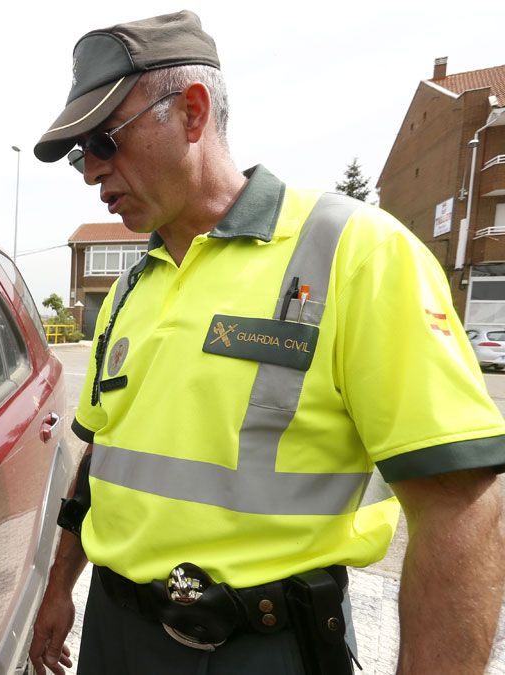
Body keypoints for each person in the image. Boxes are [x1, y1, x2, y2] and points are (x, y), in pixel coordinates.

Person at [27, 10, 505, 675]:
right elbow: (100, 460)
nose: (89, 171)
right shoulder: (130, 290)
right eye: (81, 153)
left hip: (260, 648)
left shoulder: (353, 252)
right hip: (116, 635)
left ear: (192, 112)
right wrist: (58, 589)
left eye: (105, 141)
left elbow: (458, 507)